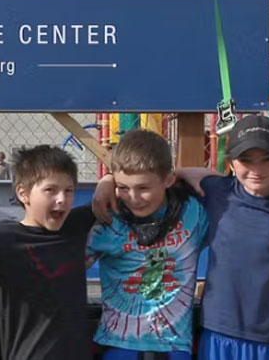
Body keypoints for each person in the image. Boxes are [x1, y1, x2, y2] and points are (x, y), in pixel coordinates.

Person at [165, 114, 269, 360]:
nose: (256, 169)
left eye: (266, 160)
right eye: (246, 160)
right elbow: (154, 176)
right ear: (231, 161)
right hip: (220, 334)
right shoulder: (216, 190)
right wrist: (106, 182)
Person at [0, 142, 94, 360]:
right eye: (50, 190)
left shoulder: (75, 226)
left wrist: (108, 180)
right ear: (23, 193)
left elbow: (117, 194)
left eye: (69, 190)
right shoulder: (6, 238)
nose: (61, 199)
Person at [88, 130, 210, 359]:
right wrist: (106, 182)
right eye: (123, 187)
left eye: (143, 188)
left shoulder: (193, 214)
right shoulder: (108, 221)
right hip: (120, 344)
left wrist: (184, 172)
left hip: (174, 345)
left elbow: (237, 185)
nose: (133, 197)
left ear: (168, 180)